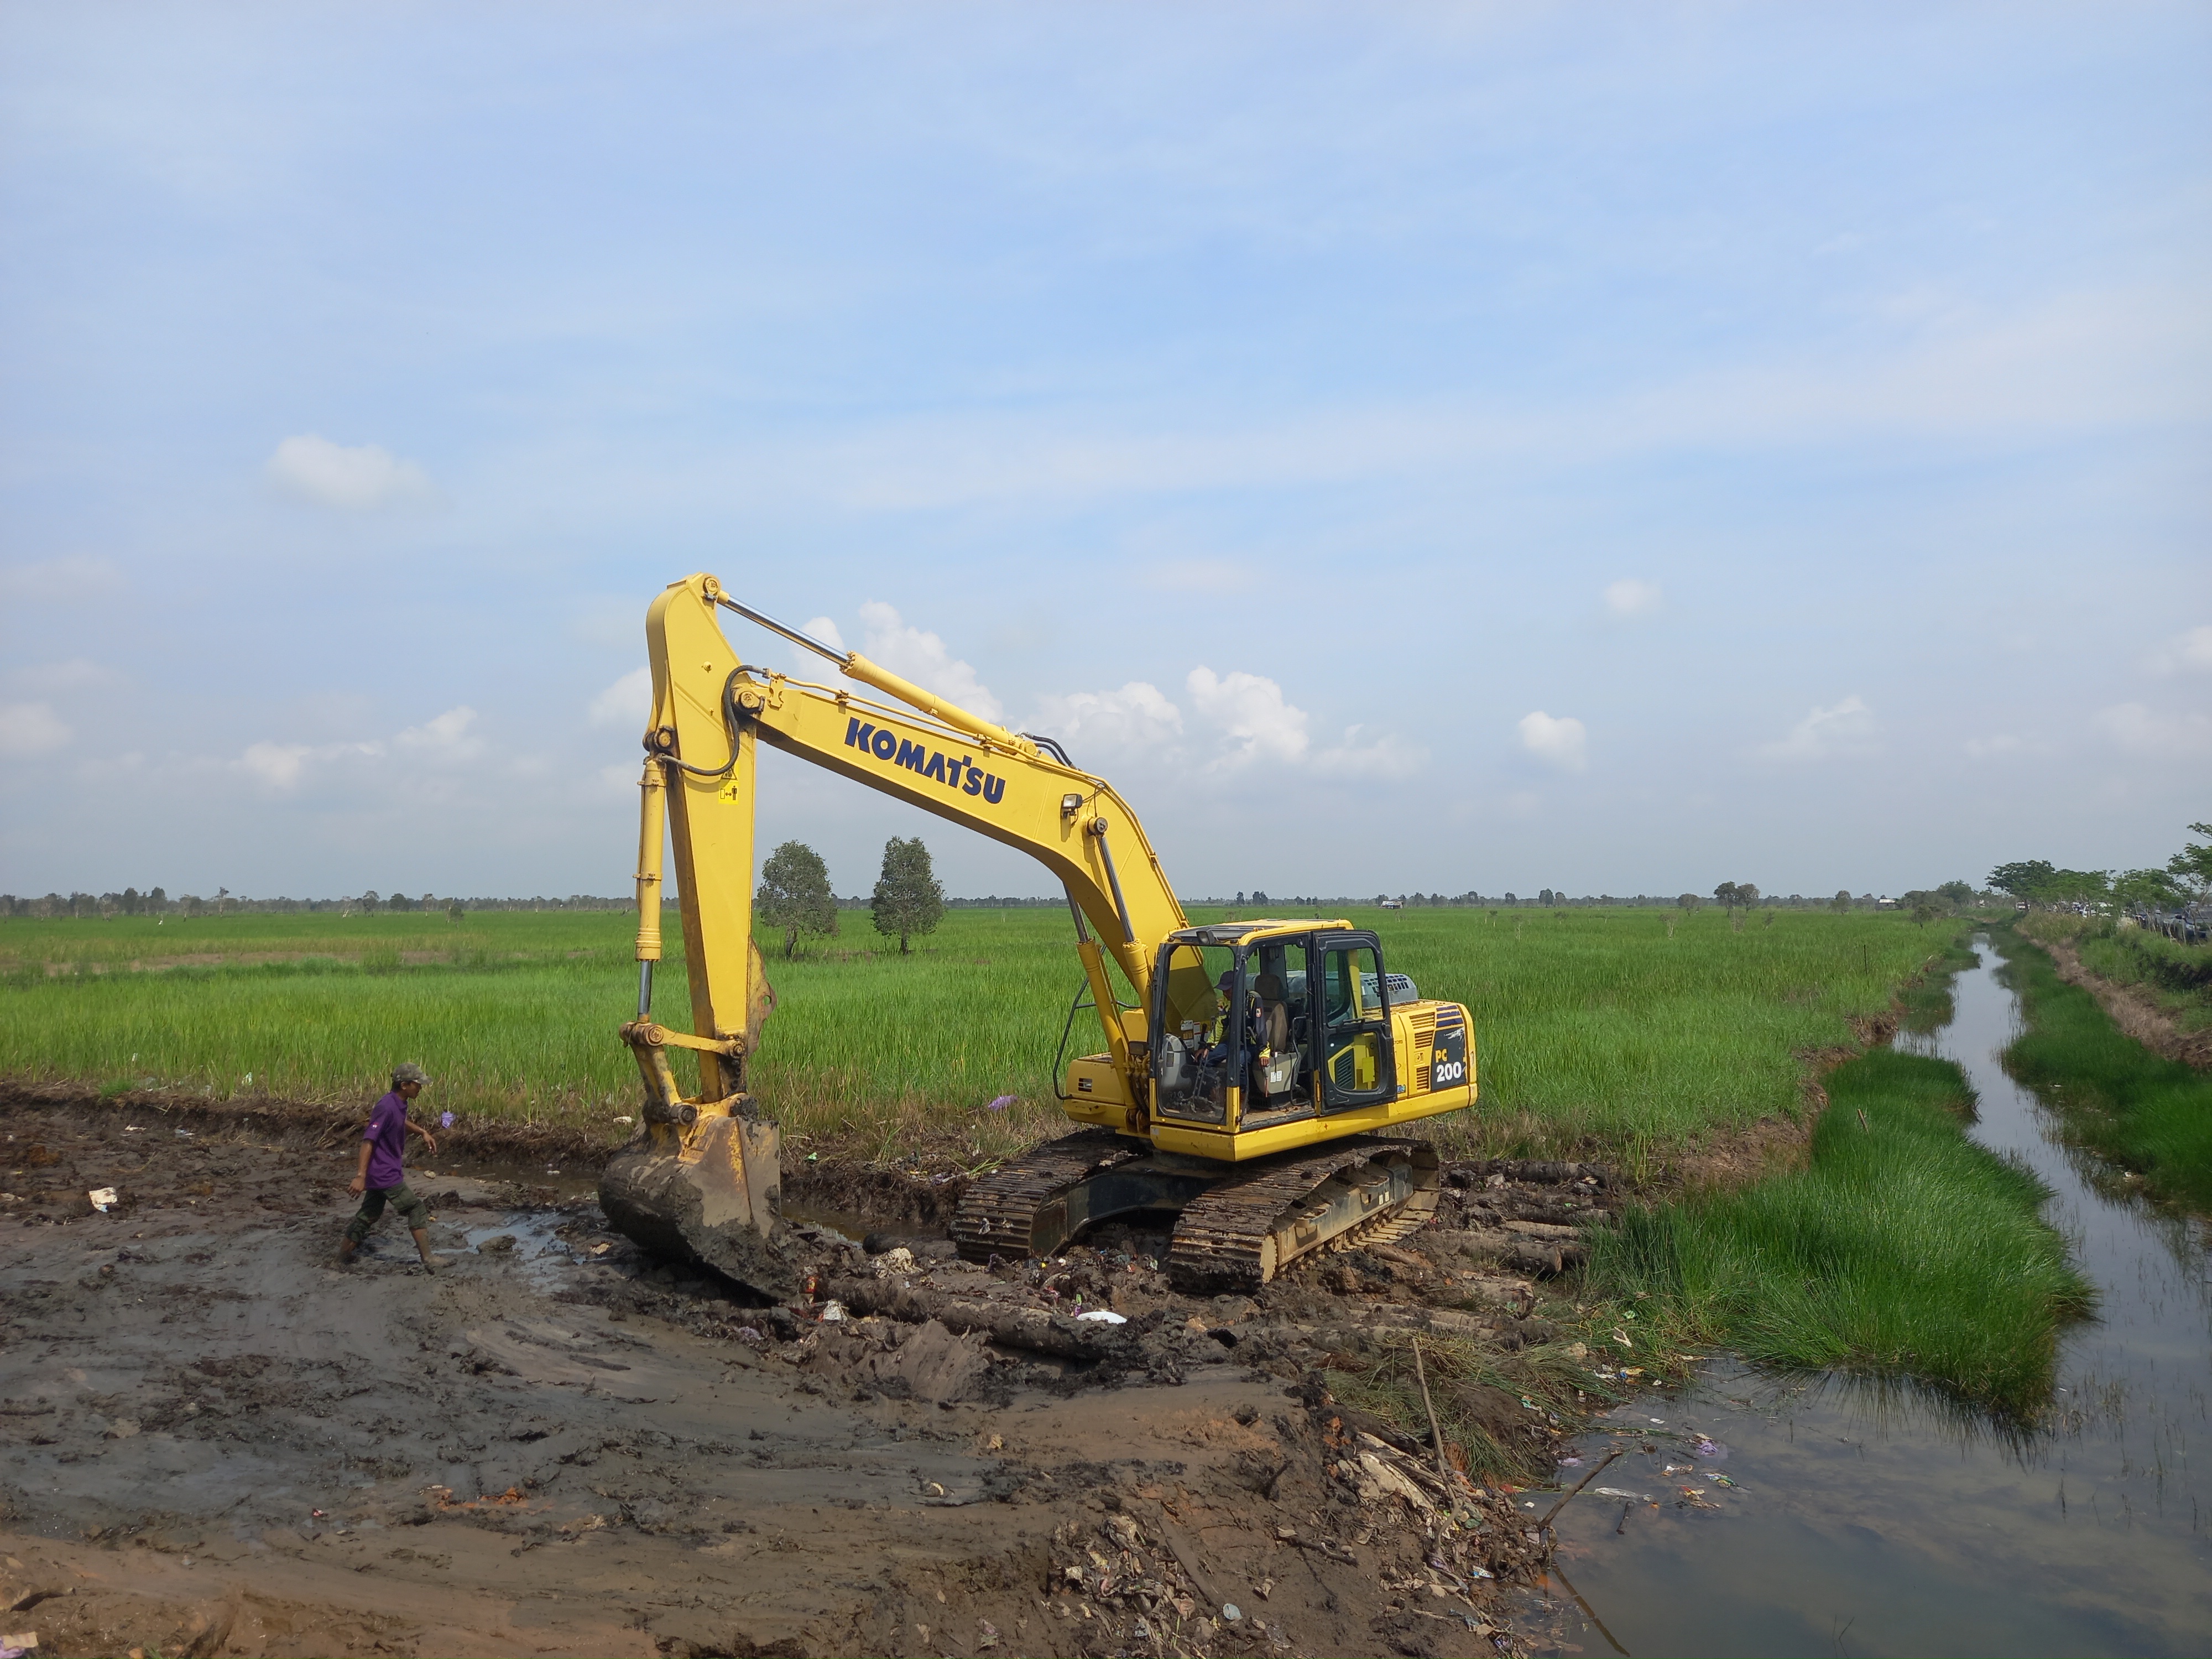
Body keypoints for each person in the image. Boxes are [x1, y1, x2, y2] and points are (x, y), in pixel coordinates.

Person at [337, 1062, 442, 1271]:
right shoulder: (386, 1106)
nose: (420, 1088)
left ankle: (341, 1258)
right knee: (416, 1209)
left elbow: (400, 1121)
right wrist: (360, 1176)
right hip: (385, 1172)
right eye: (417, 1084)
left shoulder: (399, 1103)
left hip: (382, 1171)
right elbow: (368, 1141)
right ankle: (428, 1259)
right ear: (405, 1085)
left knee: (369, 1215)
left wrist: (422, 1132)